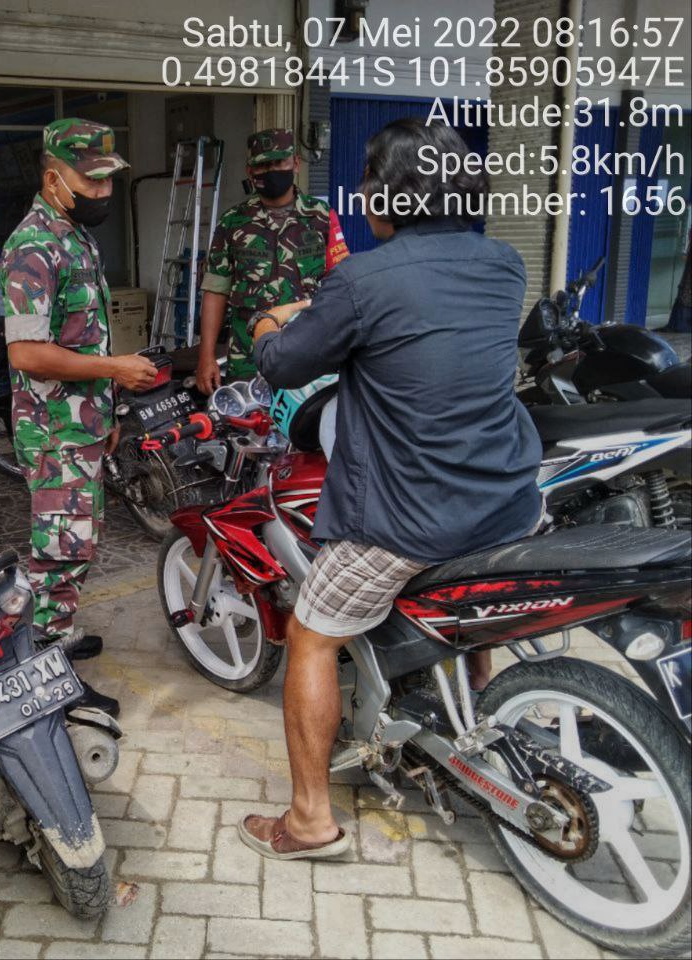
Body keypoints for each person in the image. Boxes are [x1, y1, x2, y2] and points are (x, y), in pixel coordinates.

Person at [237, 118, 542, 859]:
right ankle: (471, 707)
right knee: (471, 612)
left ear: (386, 200)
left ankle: (309, 821)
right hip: (507, 499)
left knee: (311, 633)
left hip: (409, 519)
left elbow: (282, 364)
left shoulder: (363, 279)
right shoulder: (505, 265)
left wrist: (269, 322)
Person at [0, 118, 159, 718]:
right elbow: (27, 353)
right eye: (89, 183)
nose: (102, 195)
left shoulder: (74, 238)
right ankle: (42, 678)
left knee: (80, 542)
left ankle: (58, 636)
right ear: (52, 178)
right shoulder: (32, 247)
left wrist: (108, 408)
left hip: (84, 423)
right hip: (53, 430)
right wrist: (117, 371)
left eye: (107, 183)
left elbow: (82, 338)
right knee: (59, 550)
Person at [196, 129, 348, 393]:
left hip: (308, 353)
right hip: (248, 357)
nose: (272, 170)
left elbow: (342, 282)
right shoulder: (232, 222)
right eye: (263, 165)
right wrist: (205, 356)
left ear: (296, 164)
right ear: (250, 171)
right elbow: (215, 291)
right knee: (246, 430)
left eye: (279, 163)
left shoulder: (322, 216)